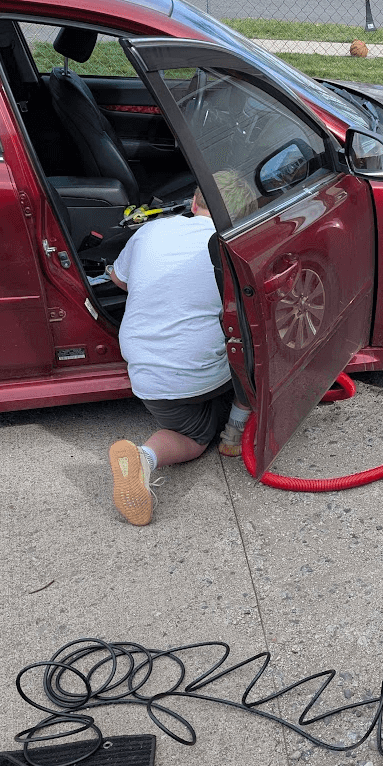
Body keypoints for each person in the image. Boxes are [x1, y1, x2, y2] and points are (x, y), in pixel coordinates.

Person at [107, 172, 253, 526]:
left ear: (194, 202)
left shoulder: (151, 230)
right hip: (201, 373)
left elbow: (119, 280)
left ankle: (144, 456)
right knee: (256, 349)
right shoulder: (234, 247)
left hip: (148, 378)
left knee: (186, 429)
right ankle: (234, 433)